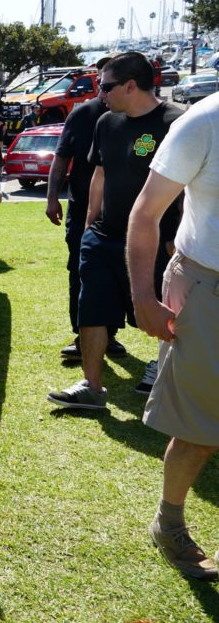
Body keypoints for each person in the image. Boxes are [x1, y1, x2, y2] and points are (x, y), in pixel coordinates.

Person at [47, 52, 184, 410]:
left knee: (164, 311)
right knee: (91, 308)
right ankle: (92, 387)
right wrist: (90, 224)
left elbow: (191, 187)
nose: (100, 93)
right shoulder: (106, 122)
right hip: (103, 238)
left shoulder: (176, 123)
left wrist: (178, 237)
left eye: (105, 86)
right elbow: (101, 172)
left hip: (158, 242)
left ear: (130, 86)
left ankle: (164, 372)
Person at [128, 93, 219, 581]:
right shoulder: (204, 121)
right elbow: (146, 213)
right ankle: (170, 524)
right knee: (199, 427)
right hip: (207, 287)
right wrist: (143, 297)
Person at [45, 55, 126, 362]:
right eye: (102, 83)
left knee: (118, 273)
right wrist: (52, 197)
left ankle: (110, 334)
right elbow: (61, 158)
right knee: (80, 272)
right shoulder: (82, 114)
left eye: (109, 84)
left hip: (122, 213)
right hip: (81, 211)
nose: (104, 90)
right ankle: (83, 336)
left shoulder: (135, 117)